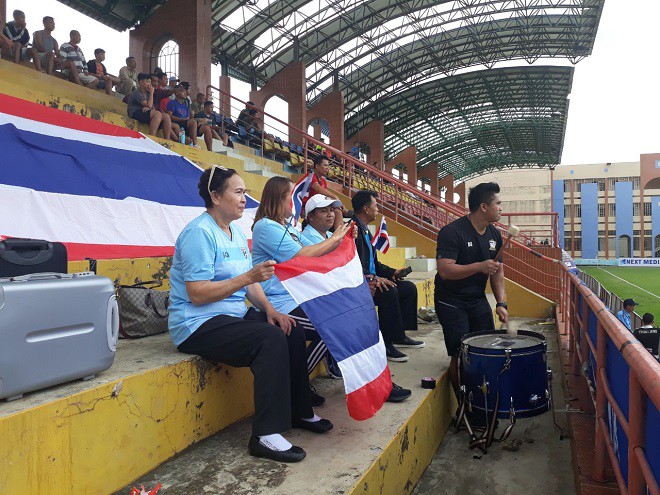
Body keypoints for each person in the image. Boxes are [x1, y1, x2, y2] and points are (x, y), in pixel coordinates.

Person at [170, 166, 332, 463]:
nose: (245, 199)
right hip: (196, 323)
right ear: (216, 197)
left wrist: (271, 310)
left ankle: (299, 411)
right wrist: (248, 279)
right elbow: (198, 293)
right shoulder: (199, 233)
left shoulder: (234, 232)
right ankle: (265, 435)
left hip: (229, 315)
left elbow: (251, 284)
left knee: (289, 328)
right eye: (238, 192)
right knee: (269, 340)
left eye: (245, 192)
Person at [251, 177, 353, 406]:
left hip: (297, 297)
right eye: (292, 196)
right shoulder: (265, 226)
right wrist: (337, 237)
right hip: (279, 302)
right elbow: (301, 258)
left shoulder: (288, 228)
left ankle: (298, 380)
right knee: (331, 329)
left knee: (340, 321)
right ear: (280, 198)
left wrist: (340, 240)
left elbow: (314, 253)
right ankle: (297, 382)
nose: (296, 201)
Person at [435, 182, 508, 393]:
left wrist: (501, 303)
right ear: (484, 207)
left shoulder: (495, 234)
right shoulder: (452, 232)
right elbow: (445, 271)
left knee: (485, 348)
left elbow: (498, 272)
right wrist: (479, 266)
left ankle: (480, 399)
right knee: (460, 354)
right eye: (498, 203)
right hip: (450, 301)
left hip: (477, 299)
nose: (501, 208)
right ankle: (463, 405)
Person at [351, 190, 425, 363]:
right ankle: (386, 343)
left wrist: (393, 273)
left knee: (408, 288)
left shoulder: (366, 231)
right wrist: (372, 279)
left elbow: (375, 264)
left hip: (371, 278)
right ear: (366, 208)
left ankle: (399, 335)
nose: (377, 209)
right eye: (375, 205)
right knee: (388, 292)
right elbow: (353, 265)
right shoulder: (353, 231)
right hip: (360, 283)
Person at [167, 85, 215, 150]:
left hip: (186, 124)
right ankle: (195, 144)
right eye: (183, 92)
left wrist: (199, 122)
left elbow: (188, 118)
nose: (185, 93)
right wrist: (182, 119)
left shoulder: (185, 105)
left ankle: (210, 151)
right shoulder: (172, 103)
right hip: (178, 123)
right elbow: (169, 116)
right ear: (177, 93)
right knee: (193, 122)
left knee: (206, 128)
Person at [127, 73, 173, 138]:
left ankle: (167, 140)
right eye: (147, 82)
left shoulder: (148, 94)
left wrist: (149, 108)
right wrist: (152, 92)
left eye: (150, 82)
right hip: (135, 113)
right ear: (141, 82)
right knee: (157, 114)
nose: (150, 84)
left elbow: (152, 108)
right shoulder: (136, 93)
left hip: (144, 112)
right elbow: (149, 105)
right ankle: (152, 137)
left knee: (166, 116)